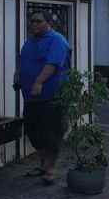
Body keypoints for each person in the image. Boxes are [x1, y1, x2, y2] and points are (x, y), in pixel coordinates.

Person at [16, 11, 71, 184]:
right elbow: (22, 61)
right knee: (33, 131)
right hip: (31, 97)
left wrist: (39, 82)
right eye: (31, 21)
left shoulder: (57, 40)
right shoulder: (30, 41)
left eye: (38, 21)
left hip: (51, 97)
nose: (33, 24)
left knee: (51, 134)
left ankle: (50, 169)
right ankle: (42, 164)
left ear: (48, 23)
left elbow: (52, 65)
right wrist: (17, 77)